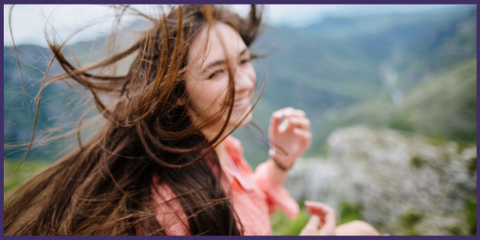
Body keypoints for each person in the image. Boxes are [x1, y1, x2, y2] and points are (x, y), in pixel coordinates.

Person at [4, 5, 379, 235]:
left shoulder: (218, 147)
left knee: (361, 230)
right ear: (178, 94)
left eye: (244, 61)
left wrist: (281, 160)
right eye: (217, 73)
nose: (246, 83)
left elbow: (242, 204)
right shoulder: (171, 207)